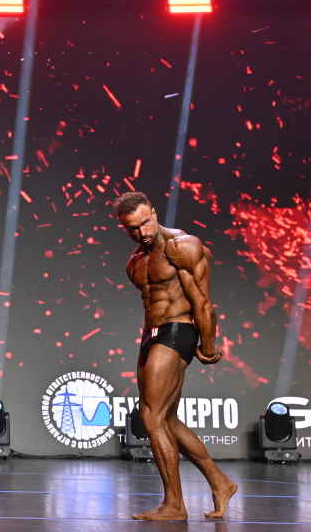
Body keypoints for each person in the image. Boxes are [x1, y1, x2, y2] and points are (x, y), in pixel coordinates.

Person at [115, 192, 237, 520]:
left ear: (154, 213)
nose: (142, 232)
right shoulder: (135, 262)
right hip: (151, 336)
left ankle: (174, 505)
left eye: (145, 222)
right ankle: (221, 483)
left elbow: (202, 301)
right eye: (133, 228)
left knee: (152, 418)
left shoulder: (182, 246)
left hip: (178, 331)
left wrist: (208, 347)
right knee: (165, 419)